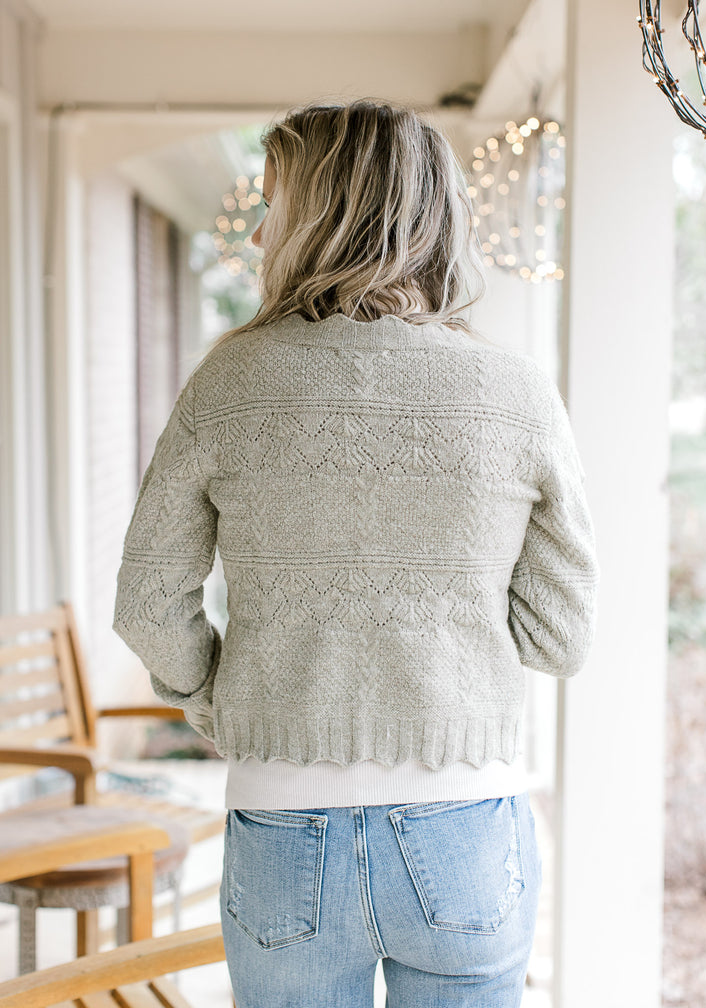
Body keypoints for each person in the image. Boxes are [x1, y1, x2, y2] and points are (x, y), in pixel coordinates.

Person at [114, 98, 598, 1008]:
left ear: (321, 219)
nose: (259, 231)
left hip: (284, 828)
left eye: (273, 204)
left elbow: (148, 604)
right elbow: (560, 636)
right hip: (467, 828)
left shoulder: (231, 383)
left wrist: (224, 700)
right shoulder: (516, 392)